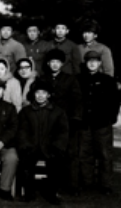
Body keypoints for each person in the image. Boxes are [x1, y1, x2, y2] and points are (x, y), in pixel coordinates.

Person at [17, 79, 69, 204]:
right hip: (32, 146)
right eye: (37, 93)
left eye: (44, 93)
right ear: (33, 94)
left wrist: (57, 147)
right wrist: (25, 145)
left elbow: (63, 132)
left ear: (49, 95)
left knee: (56, 163)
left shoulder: (58, 112)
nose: (40, 96)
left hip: (50, 147)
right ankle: (29, 193)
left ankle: (51, 193)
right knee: (26, 163)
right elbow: (22, 131)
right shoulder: (26, 111)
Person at [78, 50, 121, 195]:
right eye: (89, 61)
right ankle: (87, 182)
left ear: (100, 63)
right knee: (85, 154)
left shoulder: (108, 80)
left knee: (104, 155)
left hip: (102, 124)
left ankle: (105, 185)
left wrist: (111, 118)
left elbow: (115, 101)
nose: (92, 64)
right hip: (84, 123)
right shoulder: (79, 80)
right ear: (85, 63)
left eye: (95, 61)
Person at [42, 48, 83, 195]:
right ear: (48, 63)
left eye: (57, 62)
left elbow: (77, 101)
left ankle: (72, 185)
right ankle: (53, 184)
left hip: (66, 123)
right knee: (51, 153)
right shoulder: (43, 79)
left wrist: (75, 119)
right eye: (52, 61)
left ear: (62, 63)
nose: (54, 64)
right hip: (47, 123)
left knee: (71, 154)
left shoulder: (70, 79)